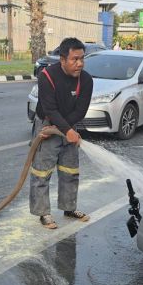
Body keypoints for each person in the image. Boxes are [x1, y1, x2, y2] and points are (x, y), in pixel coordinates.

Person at [30, 37, 94, 229]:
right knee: (42, 172)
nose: (80, 63)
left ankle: (69, 207)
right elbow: (50, 109)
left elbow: (81, 110)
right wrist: (60, 130)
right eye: (75, 59)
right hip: (48, 126)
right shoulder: (47, 76)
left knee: (70, 170)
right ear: (63, 59)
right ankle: (43, 213)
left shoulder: (86, 80)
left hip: (69, 125)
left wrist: (68, 130)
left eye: (82, 58)